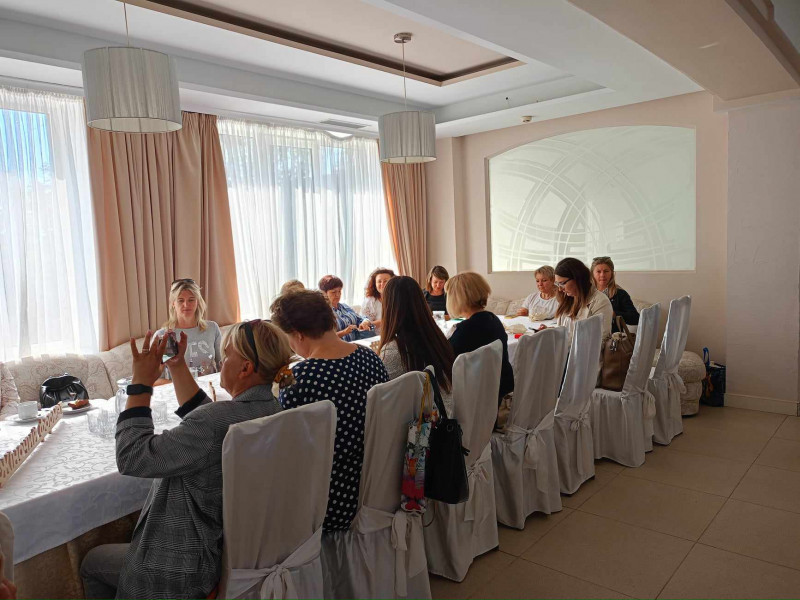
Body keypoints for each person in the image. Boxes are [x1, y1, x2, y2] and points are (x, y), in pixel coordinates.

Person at [80, 320, 293, 599]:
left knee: (91, 563)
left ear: (245, 368)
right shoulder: (273, 410)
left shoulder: (214, 424)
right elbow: (209, 423)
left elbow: (132, 457)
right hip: (217, 553)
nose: (222, 361)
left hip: (175, 567)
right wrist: (178, 366)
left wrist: (140, 384)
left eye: (227, 354)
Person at [270, 290, 389, 531]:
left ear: (298, 334)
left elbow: (287, 448)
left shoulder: (298, 377)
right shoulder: (369, 357)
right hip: (376, 483)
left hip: (331, 499)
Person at [379, 276, 455, 413]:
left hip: (426, 421)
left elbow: (385, 400)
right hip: (449, 411)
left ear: (388, 307)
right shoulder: (436, 338)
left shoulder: (394, 350)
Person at [446, 272, 514, 404]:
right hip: (497, 389)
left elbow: (446, 359)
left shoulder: (465, 330)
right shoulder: (493, 319)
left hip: (474, 397)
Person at [154, 279, 222, 380]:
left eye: (191, 300)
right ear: (173, 303)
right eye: (181, 300)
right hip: (177, 389)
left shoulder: (212, 328)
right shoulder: (165, 336)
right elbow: (158, 379)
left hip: (210, 387)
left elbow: (222, 365)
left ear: (197, 302)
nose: (186, 305)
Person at [550, 257, 613, 341]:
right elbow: (563, 332)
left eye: (562, 283)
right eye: (557, 284)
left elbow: (600, 340)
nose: (560, 289)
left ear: (577, 279)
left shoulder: (601, 302)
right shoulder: (567, 299)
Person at [318, 274, 374, 342]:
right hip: (339, 346)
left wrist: (365, 322)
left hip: (357, 343)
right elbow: (324, 338)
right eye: (333, 292)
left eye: (339, 291)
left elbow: (361, 319)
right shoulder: (322, 312)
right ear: (324, 293)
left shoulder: (345, 306)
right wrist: (344, 332)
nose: (337, 295)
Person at [591, 256, 639, 331]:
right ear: (592, 274)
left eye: (606, 271)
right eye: (598, 271)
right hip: (590, 334)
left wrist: (614, 314)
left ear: (612, 273)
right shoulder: (586, 294)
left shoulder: (620, 293)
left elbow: (636, 318)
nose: (602, 275)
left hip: (612, 337)